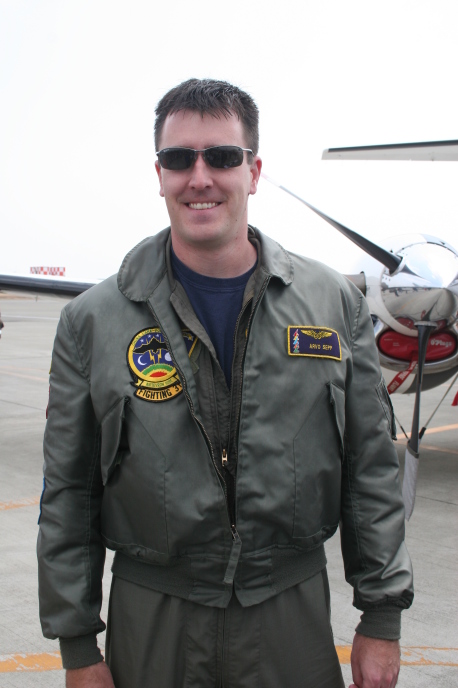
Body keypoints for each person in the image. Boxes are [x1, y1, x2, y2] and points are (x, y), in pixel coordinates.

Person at [37, 78, 413, 688]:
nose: (199, 177)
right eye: (178, 158)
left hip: (289, 620)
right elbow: (68, 494)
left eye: (221, 156)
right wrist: (78, 648)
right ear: (159, 175)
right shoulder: (92, 321)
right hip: (152, 621)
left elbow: (370, 469)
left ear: (253, 171)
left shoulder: (332, 305)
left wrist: (382, 616)